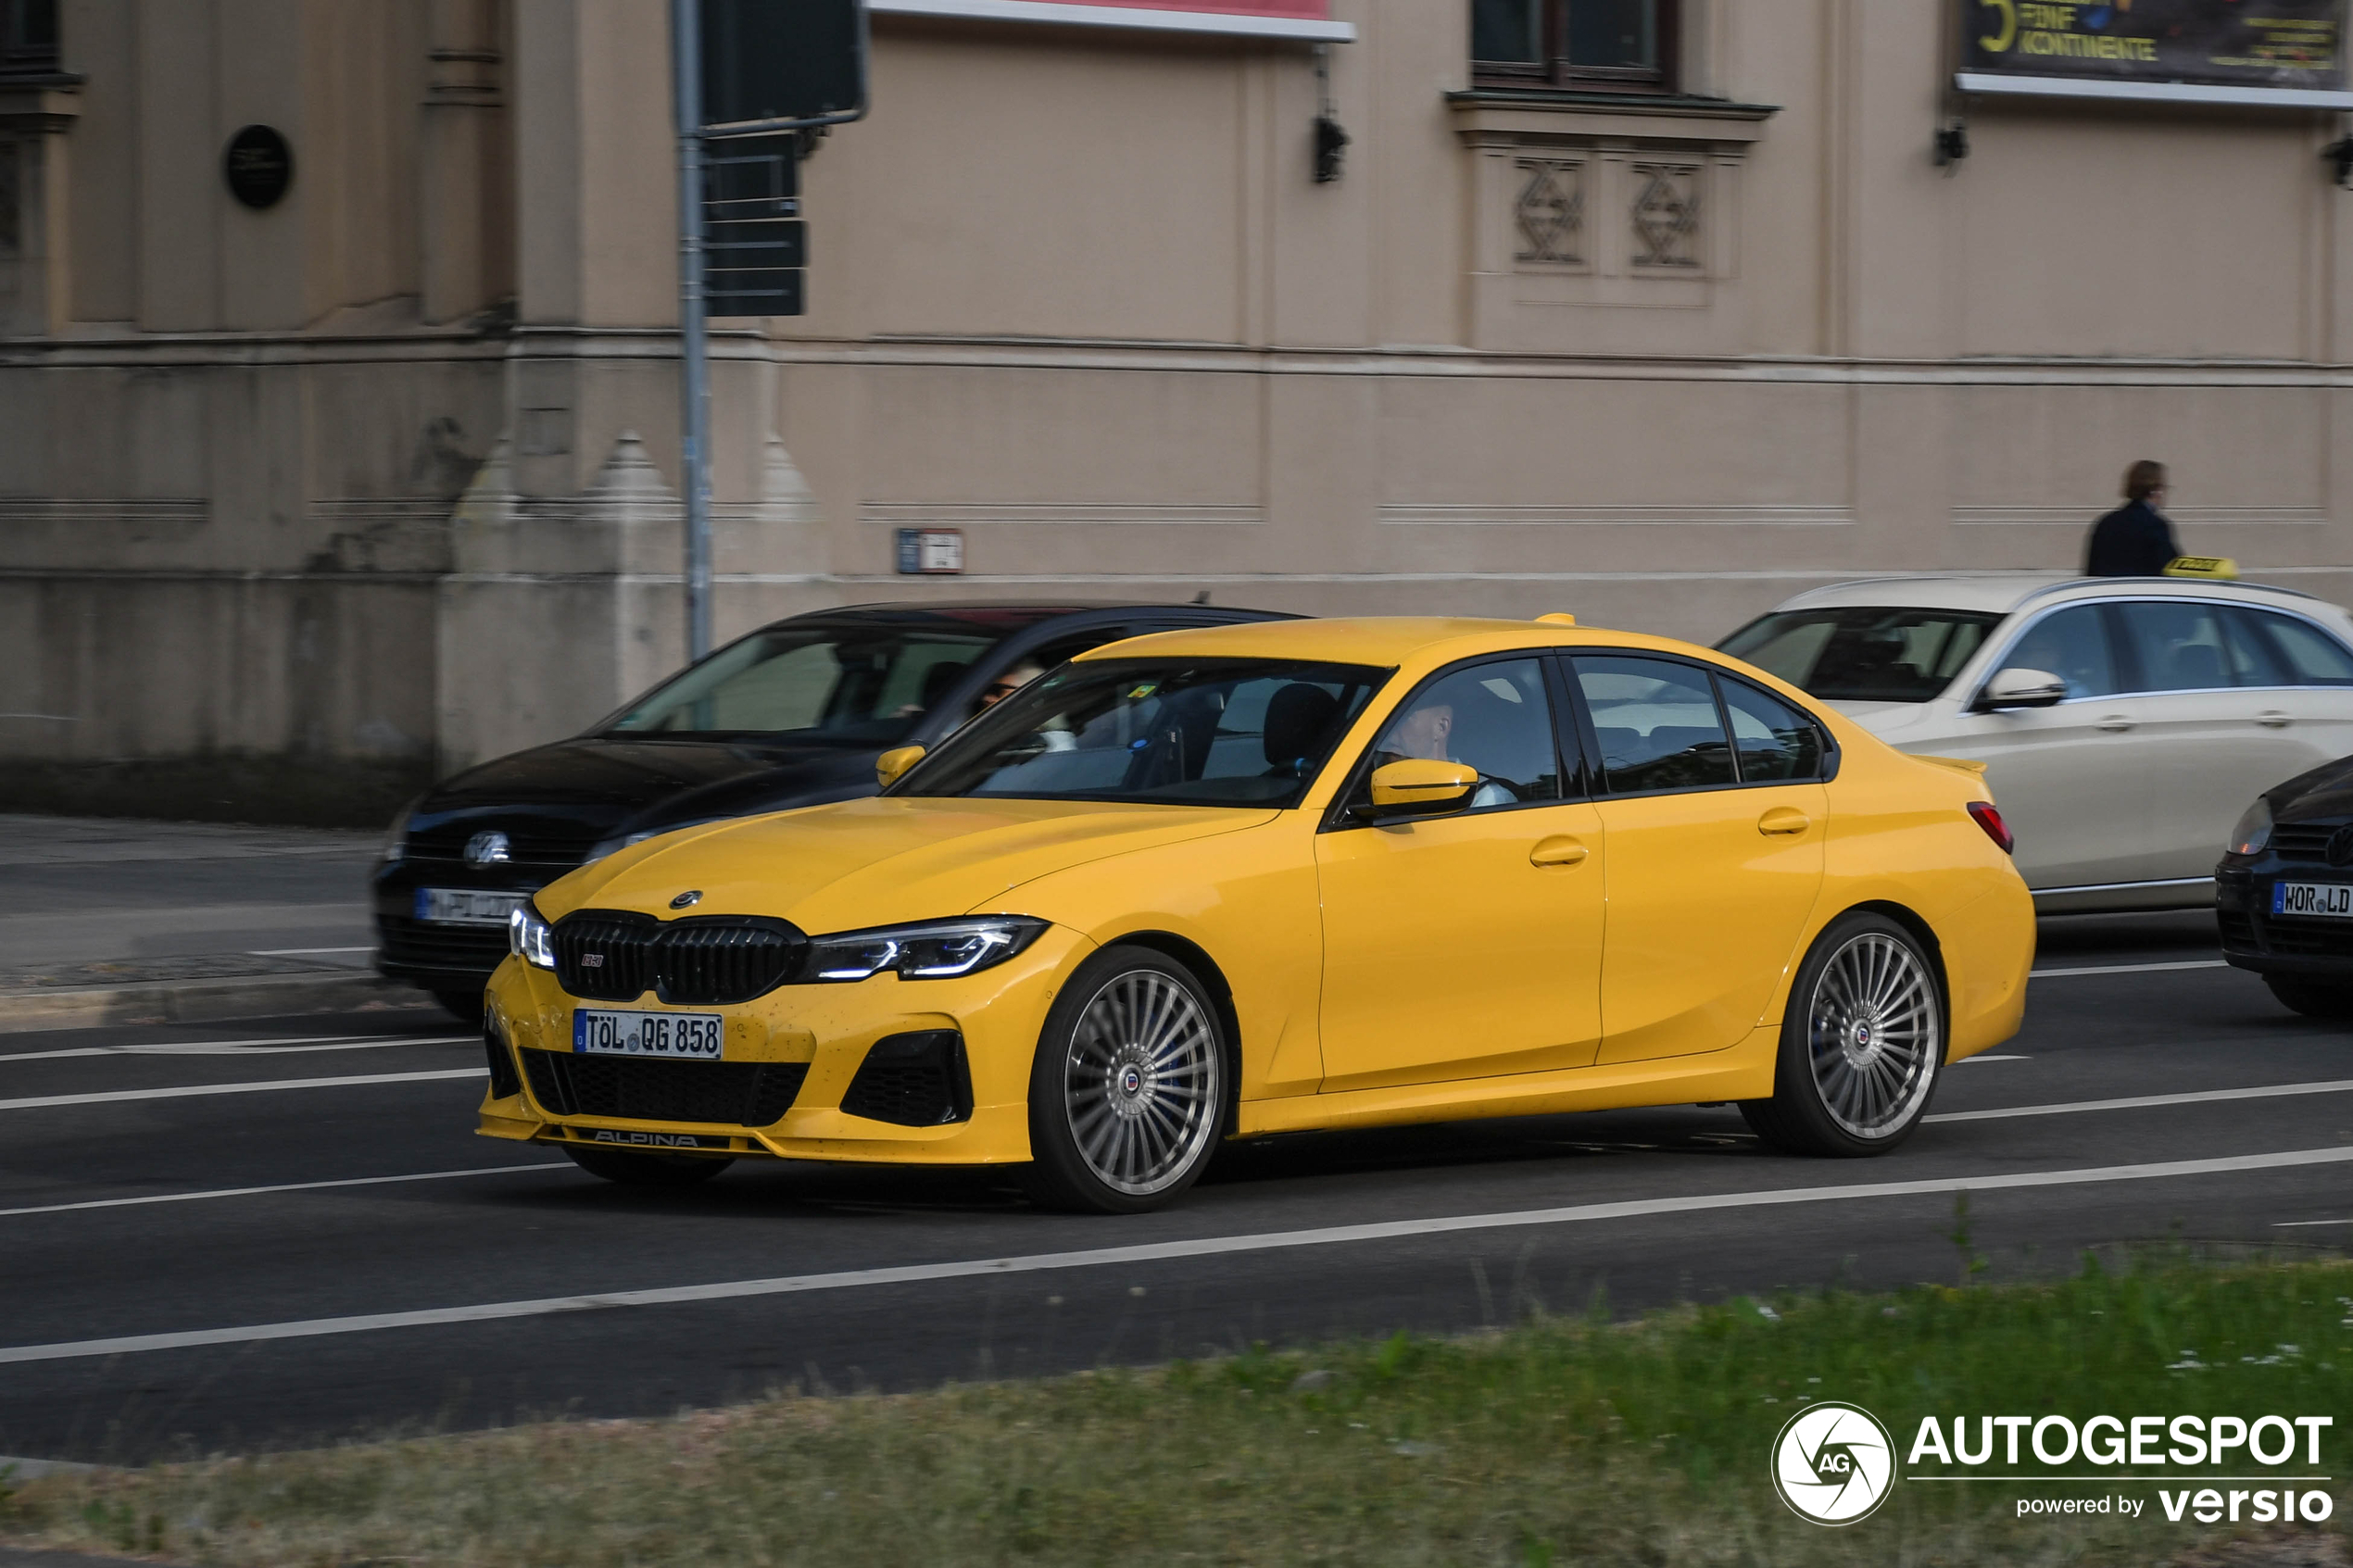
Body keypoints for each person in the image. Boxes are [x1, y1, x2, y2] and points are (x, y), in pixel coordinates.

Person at [1376, 696, 1515, 809]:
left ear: (1441, 727)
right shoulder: (1365, 788)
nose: (1388, 733)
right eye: (1385, 721)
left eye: (1405, 718)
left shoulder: (1486, 800)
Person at [2084, 460, 2181, 577]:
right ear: (2155, 490)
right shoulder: (2155, 525)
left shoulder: (2106, 523)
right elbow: (2171, 570)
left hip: (2108, 593)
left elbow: (2092, 571)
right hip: (2143, 593)